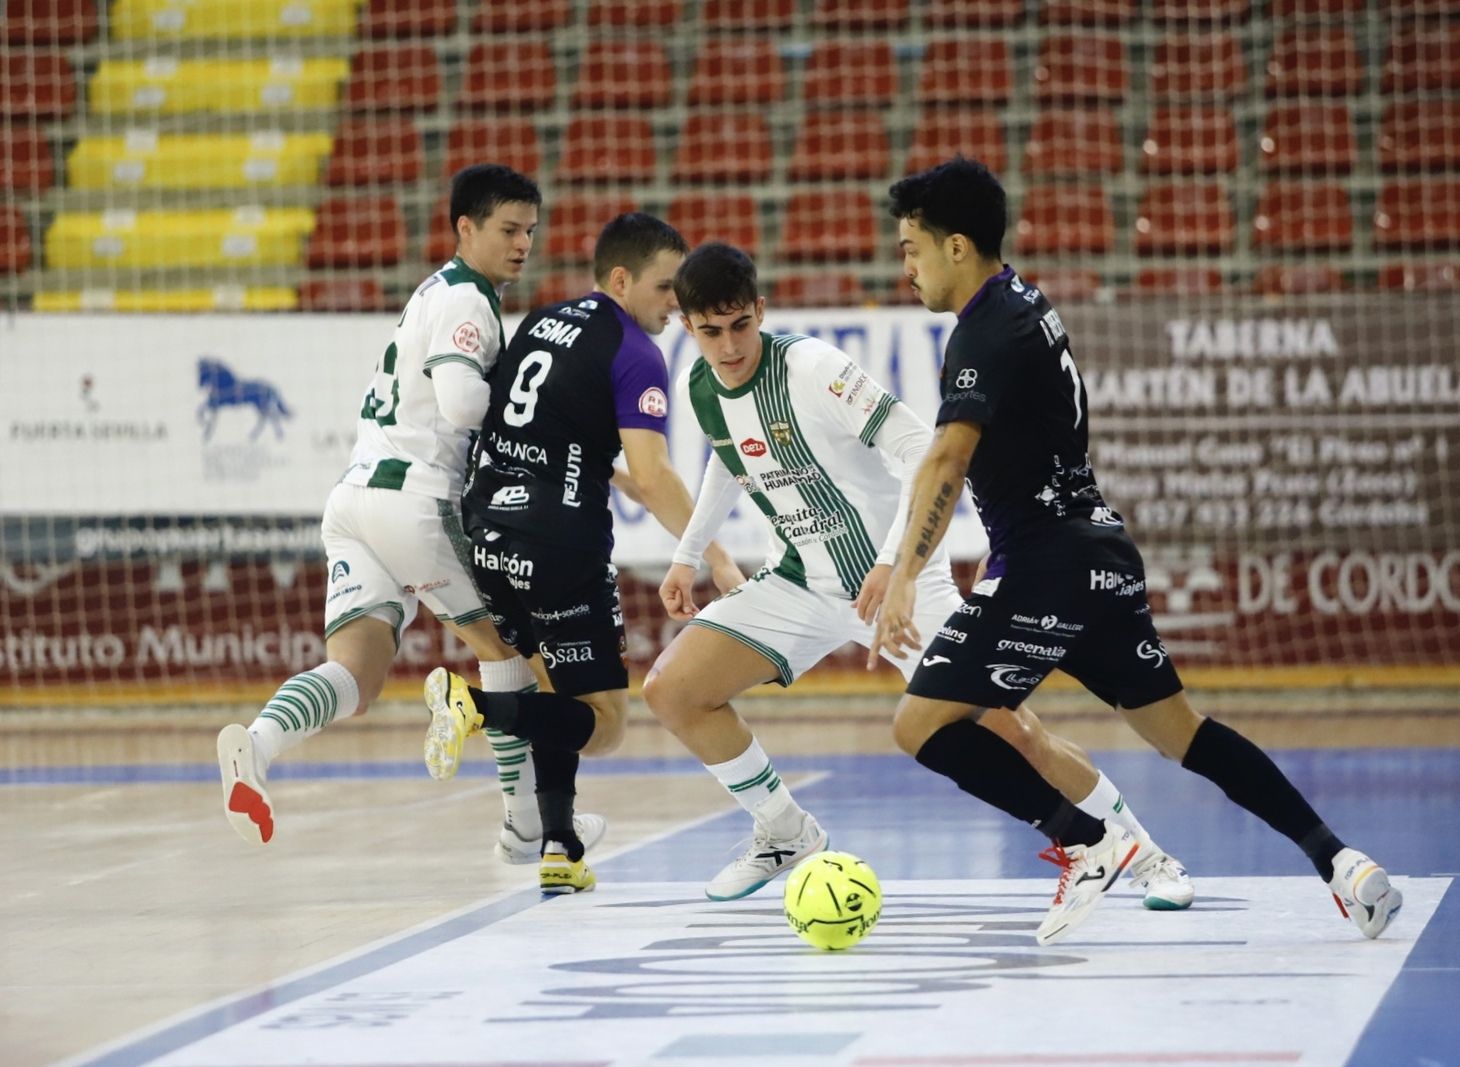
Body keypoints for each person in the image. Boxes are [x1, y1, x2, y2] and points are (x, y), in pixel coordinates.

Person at [867, 158, 1401, 945]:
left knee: (918, 724)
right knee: (1185, 732)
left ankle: (1087, 841)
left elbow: (947, 457)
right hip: (1101, 560)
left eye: (911, 248)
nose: (903, 266)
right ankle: (1341, 861)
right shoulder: (1023, 304)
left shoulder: (984, 329)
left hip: (1044, 565)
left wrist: (907, 571)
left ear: (956, 246)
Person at [641, 241, 1192, 909]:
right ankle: (784, 831)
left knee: (1012, 729)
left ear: (761, 311)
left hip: (899, 583)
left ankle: (1146, 853)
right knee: (672, 688)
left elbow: (918, 450)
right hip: (802, 583)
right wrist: (688, 552)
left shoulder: (813, 368)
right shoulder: (702, 385)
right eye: (710, 332)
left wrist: (892, 565)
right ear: (685, 324)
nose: (729, 347)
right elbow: (731, 459)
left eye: (740, 327)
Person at [215, 165, 605, 866]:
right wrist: (538, 413)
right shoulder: (468, 301)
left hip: (352, 501)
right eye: (509, 230)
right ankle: (525, 824)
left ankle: (260, 743)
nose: (524, 244)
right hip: (416, 502)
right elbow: (459, 403)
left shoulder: (433, 291)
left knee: (357, 674)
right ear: (466, 227)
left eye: (531, 232)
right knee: (509, 651)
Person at [422, 213, 742, 893]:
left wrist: (599, 471)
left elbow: (562, 433)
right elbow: (654, 475)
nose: (675, 305)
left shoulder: (542, 319)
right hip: (560, 545)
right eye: (665, 288)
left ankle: (560, 846)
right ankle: (474, 706)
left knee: (551, 688)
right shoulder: (634, 350)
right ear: (621, 280)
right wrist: (715, 554)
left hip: (487, 531)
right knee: (603, 725)